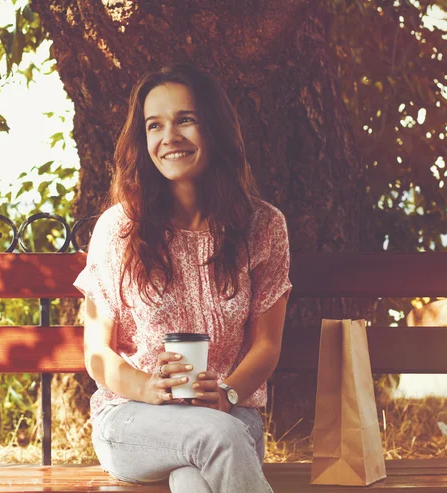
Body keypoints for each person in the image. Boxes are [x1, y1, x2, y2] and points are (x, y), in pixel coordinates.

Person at [73, 63, 292, 493]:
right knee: (215, 438)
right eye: (155, 125)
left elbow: (267, 343)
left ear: (214, 129)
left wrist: (227, 394)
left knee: (193, 478)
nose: (169, 136)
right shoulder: (119, 229)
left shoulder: (263, 225)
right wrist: (148, 386)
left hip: (231, 413)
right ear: (144, 140)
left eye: (185, 120)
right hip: (133, 418)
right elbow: (96, 350)